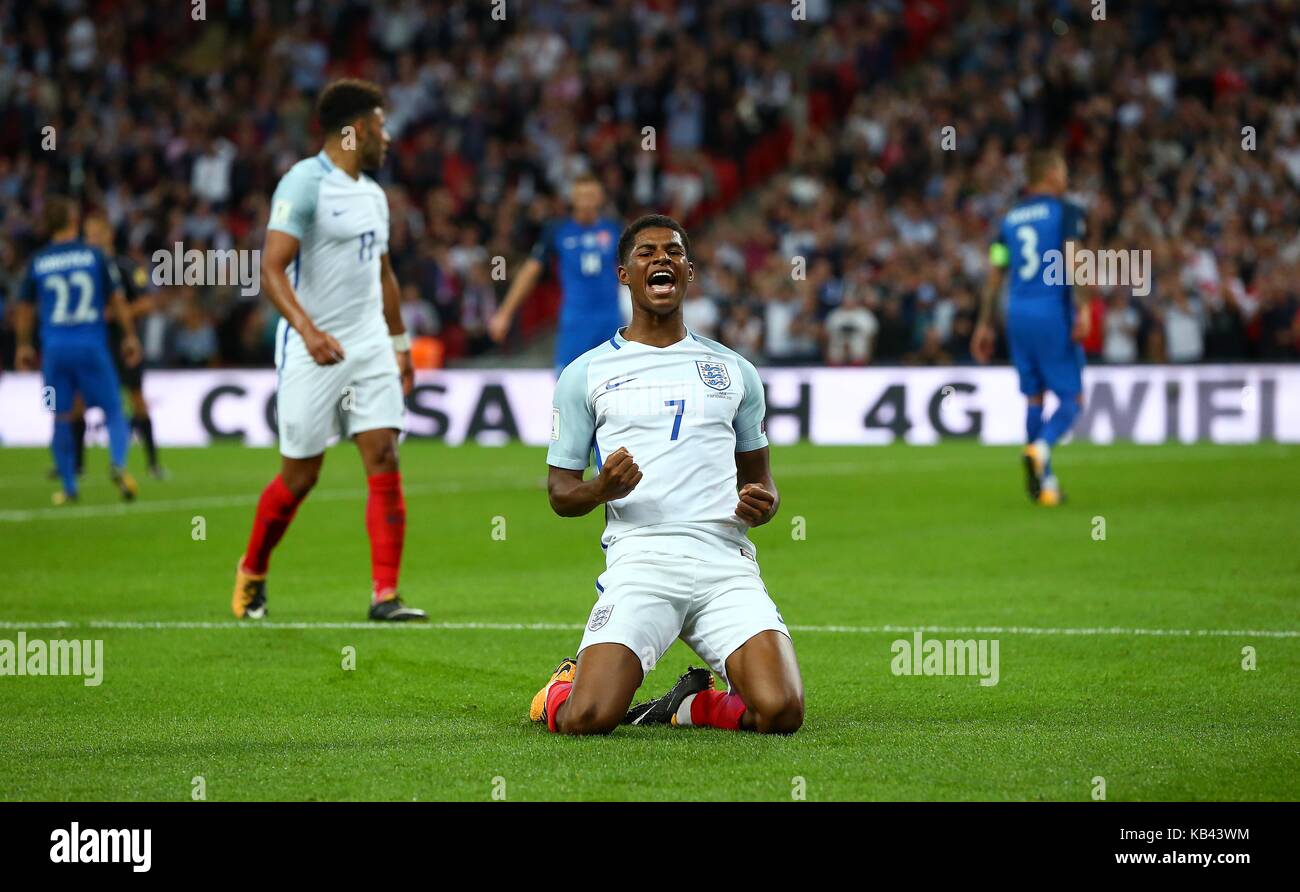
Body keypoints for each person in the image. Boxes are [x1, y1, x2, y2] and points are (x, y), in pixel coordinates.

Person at [529, 214, 804, 736]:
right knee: (587, 719)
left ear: (689, 272)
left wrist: (763, 503)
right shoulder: (584, 374)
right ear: (624, 274)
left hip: (725, 564)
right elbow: (561, 494)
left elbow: (763, 483)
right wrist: (600, 489)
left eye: (673, 252)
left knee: (782, 710)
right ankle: (559, 689)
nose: (662, 259)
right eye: (647, 252)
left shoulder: (735, 371)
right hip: (643, 562)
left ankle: (690, 707)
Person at [231, 79, 426, 622]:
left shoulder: (373, 195)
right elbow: (270, 268)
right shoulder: (304, 182)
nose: (387, 138)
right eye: (381, 126)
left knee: (384, 453)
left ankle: (385, 595)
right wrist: (307, 329)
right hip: (312, 347)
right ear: (356, 129)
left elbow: (382, 271)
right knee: (301, 475)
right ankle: (252, 570)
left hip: (367, 344)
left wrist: (400, 343)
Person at [972, 149, 1088, 506]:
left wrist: (984, 324)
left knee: (1033, 397)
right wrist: (1083, 308)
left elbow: (995, 272)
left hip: (1016, 312)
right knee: (1072, 398)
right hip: (1052, 310)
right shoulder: (1065, 211)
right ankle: (1040, 447)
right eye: (1064, 170)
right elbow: (1074, 257)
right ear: (1051, 172)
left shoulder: (1009, 219)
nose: (1067, 179)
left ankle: (1044, 485)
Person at [13, 196, 141, 505]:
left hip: (53, 352)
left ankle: (68, 486)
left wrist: (23, 346)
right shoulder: (94, 256)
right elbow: (117, 301)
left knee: (58, 415)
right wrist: (129, 337)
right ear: (73, 222)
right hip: (92, 347)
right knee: (114, 409)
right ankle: (118, 463)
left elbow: (25, 308)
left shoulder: (37, 261)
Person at [487, 173, 624, 374]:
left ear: (600, 198)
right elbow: (530, 271)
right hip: (575, 320)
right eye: (582, 196)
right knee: (566, 385)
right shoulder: (557, 230)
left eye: (591, 196)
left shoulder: (614, 229)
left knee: (614, 386)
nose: (586, 202)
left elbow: (633, 270)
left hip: (610, 319)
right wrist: (505, 313)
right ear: (573, 199)